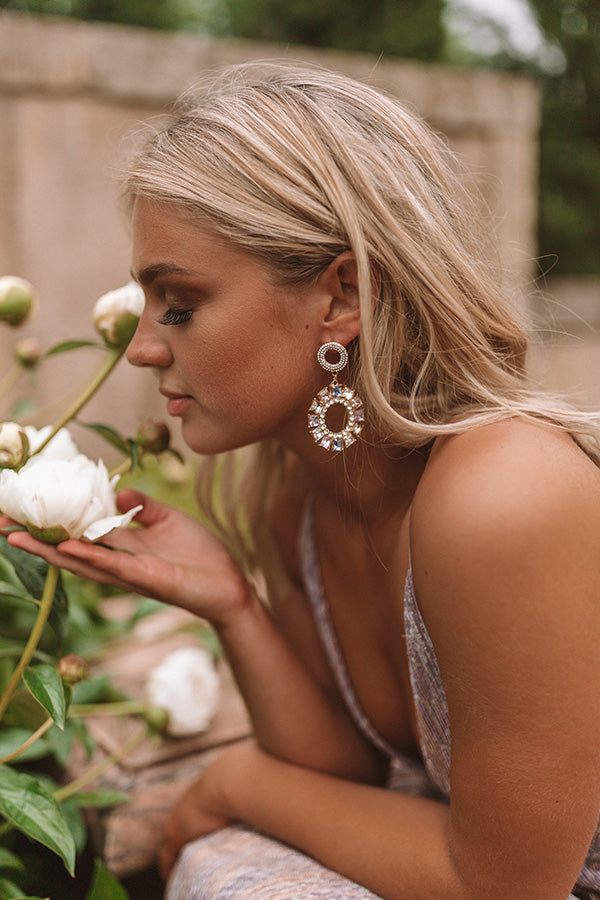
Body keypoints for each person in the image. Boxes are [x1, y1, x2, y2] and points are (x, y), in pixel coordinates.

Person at [4, 62, 600, 900]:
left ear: (341, 298)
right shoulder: (294, 491)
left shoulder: (505, 494)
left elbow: (502, 884)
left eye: (177, 303)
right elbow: (346, 766)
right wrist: (234, 607)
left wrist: (234, 783)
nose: (141, 347)